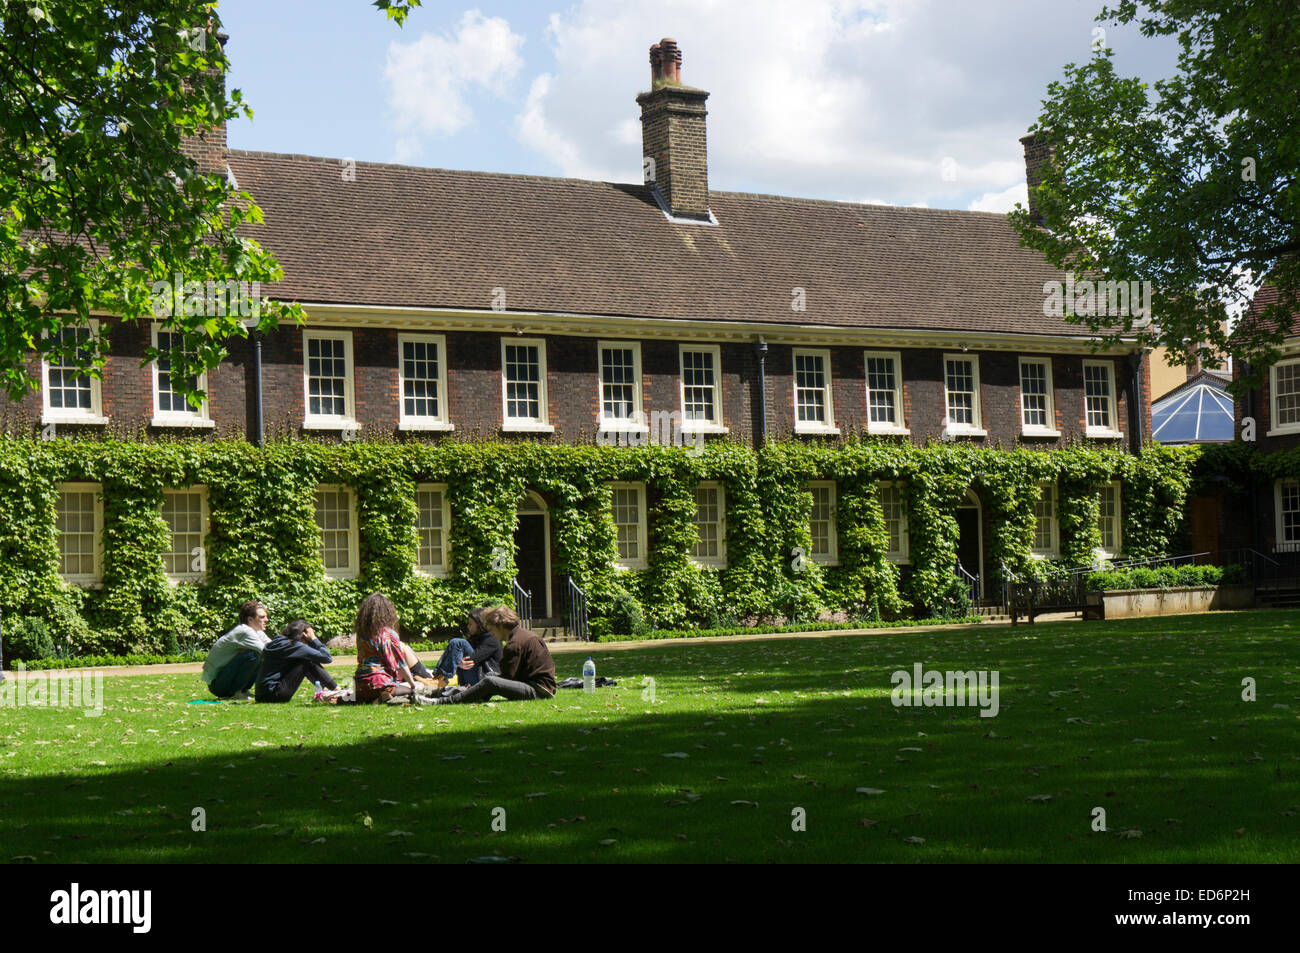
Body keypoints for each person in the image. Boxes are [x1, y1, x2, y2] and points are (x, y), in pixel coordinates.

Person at [425, 606, 555, 705]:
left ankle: (445, 701)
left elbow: (508, 677)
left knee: (490, 681)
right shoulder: (524, 635)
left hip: (538, 690)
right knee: (490, 677)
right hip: (539, 685)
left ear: (500, 626)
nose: (492, 634)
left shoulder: (515, 643)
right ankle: (461, 696)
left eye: (492, 629)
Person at [352, 592, 422, 704]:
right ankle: (383, 696)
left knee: (369, 693)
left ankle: (374, 699)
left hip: (360, 685)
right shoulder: (388, 634)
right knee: (411, 692)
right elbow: (401, 664)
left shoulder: (361, 634)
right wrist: (413, 685)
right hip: (381, 683)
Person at [255, 619, 339, 703]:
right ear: (304, 634)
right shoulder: (294, 645)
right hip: (274, 695)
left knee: (304, 659)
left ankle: (326, 690)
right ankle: (336, 690)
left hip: (261, 695)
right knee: (307, 660)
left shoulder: (278, 641)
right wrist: (314, 639)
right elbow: (327, 657)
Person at [201, 601, 271, 700]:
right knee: (254, 655)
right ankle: (237, 692)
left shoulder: (257, 632)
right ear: (250, 619)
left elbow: (273, 646)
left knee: (259, 656)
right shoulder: (244, 631)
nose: (266, 620)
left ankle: (243, 691)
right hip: (217, 685)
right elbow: (268, 651)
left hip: (224, 680)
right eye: (262, 617)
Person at [432, 605, 502, 688]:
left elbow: (470, 660)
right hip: (473, 677)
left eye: (471, 624)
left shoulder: (492, 639)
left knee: (458, 642)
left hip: (485, 679)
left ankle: (441, 679)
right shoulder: (475, 637)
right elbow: (459, 659)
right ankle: (438, 677)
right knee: (455, 643)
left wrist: (457, 662)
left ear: (480, 625)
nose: (468, 626)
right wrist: (458, 663)